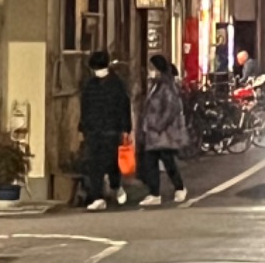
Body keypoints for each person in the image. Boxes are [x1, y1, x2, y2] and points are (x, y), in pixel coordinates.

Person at [79, 50, 132, 212]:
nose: (97, 71)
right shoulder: (90, 85)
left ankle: (116, 185)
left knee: (111, 162)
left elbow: (124, 107)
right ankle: (98, 197)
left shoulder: (117, 84)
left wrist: (125, 129)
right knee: (94, 164)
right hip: (94, 130)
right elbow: (85, 108)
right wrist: (83, 127)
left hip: (111, 129)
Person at [138, 54, 189, 207]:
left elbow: (171, 108)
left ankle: (179, 187)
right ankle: (154, 193)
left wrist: (158, 124)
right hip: (153, 133)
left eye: (152, 68)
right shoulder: (155, 85)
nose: (150, 71)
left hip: (163, 133)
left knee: (168, 161)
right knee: (151, 162)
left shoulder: (166, 87)